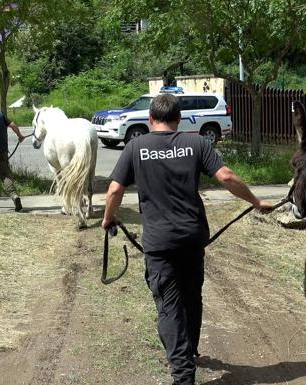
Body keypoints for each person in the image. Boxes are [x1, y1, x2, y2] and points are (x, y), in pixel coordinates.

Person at [102, 93, 274, 385]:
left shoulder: (135, 147)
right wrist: (256, 201)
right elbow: (227, 177)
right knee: (192, 297)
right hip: (193, 238)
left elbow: (115, 191)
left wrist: (108, 218)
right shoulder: (196, 143)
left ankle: (182, 374)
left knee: (169, 305)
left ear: (150, 119)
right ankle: (189, 351)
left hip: (159, 243)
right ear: (179, 119)